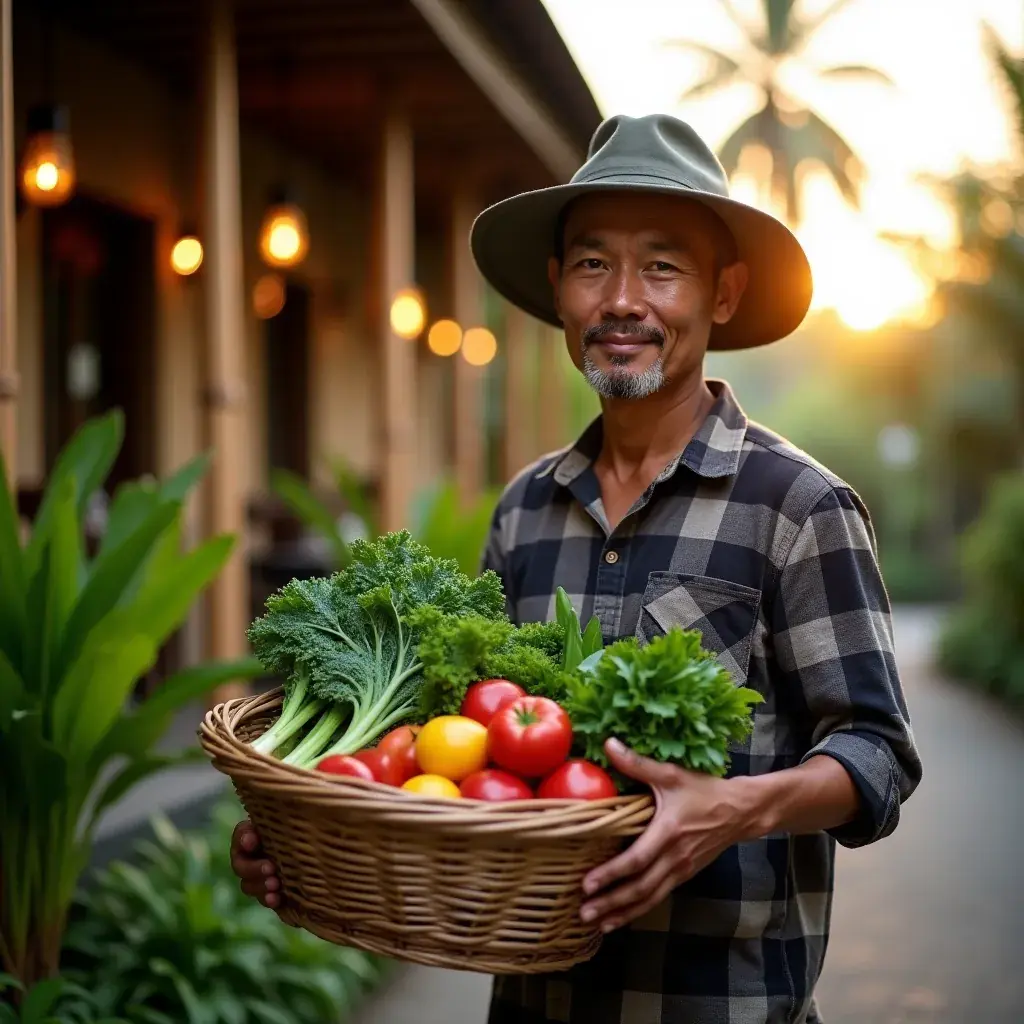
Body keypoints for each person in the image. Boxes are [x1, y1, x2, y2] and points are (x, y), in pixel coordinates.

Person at [231, 114, 922, 1024]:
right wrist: (318, 835)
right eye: (594, 264)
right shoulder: (524, 510)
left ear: (723, 294)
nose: (623, 300)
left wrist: (736, 808)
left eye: (663, 267)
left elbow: (878, 758)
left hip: (717, 1006)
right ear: (559, 290)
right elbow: (469, 750)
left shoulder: (797, 505)